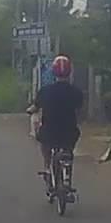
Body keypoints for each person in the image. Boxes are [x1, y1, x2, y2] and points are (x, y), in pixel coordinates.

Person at [26, 55, 84, 193]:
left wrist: (30, 111)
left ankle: (47, 168)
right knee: (69, 148)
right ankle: (67, 174)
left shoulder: (45, 91)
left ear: (53, 72)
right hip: (69, 132)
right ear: (69, 72)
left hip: (49, 131)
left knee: (44, 144)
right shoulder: (76, 92)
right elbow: (80, 110)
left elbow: (35, 107)